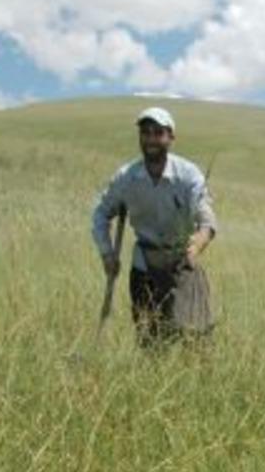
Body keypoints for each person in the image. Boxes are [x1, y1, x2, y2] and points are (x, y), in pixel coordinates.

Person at [92, 107, 217, 347]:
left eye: (158, 133)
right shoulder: (126, 178)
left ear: (171, 137)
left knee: (196, 338)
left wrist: (200, 240)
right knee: (150, 341)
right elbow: (101, 214)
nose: (151, 139)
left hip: (182, 262)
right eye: (145, 132)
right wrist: (107, 254)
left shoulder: (188, 175)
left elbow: (206, 216)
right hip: (144, 265)